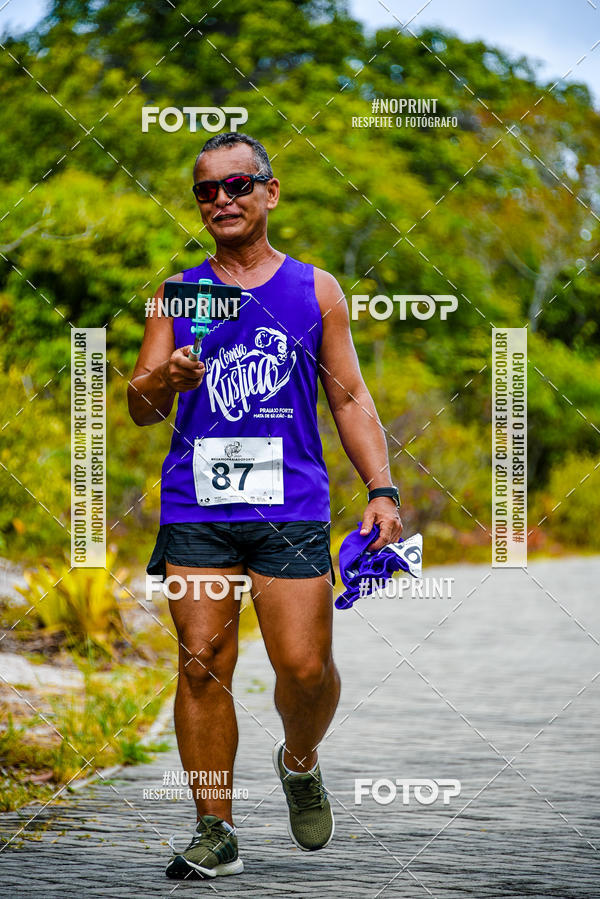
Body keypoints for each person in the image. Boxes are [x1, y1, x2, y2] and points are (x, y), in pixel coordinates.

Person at [127, 132, 402, 880]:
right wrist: (168, 379)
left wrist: (382, 489)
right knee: (199, 664)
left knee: (305, 669)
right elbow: (138, 403)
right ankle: (214, 827)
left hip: (292, 504)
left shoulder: (315, 289)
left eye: (238, 184)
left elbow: (347, 397)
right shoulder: (177, 292)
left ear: (270, 193)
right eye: (206, 190)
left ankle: (300, 758)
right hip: (199, 508)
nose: (222, 199)